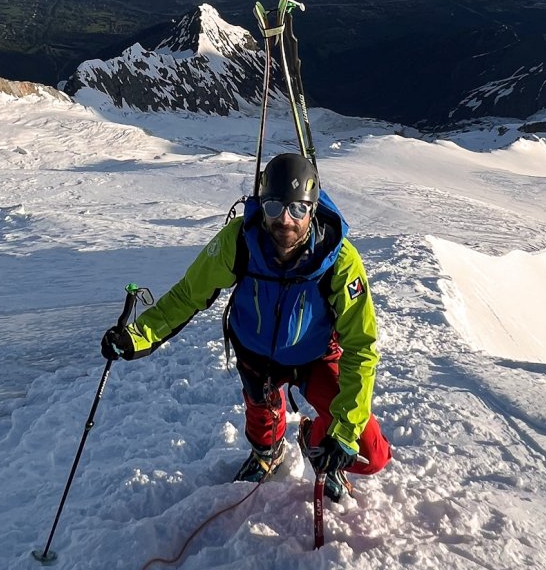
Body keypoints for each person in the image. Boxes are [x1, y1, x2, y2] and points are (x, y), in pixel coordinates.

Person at [101, 152, 391, 500]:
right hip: (257, 352)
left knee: (372, 455)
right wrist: (137, 336)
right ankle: (269, 453)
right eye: (274, 207)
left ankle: (315, 441)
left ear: (312, 209)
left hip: (315, 355)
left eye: (298, 209)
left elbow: (361, 346)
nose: (285, 219)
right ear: (261, 204)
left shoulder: (339, 260)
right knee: (262, 424)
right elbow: (188, 295)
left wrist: (343, 433)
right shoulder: (238, 241)